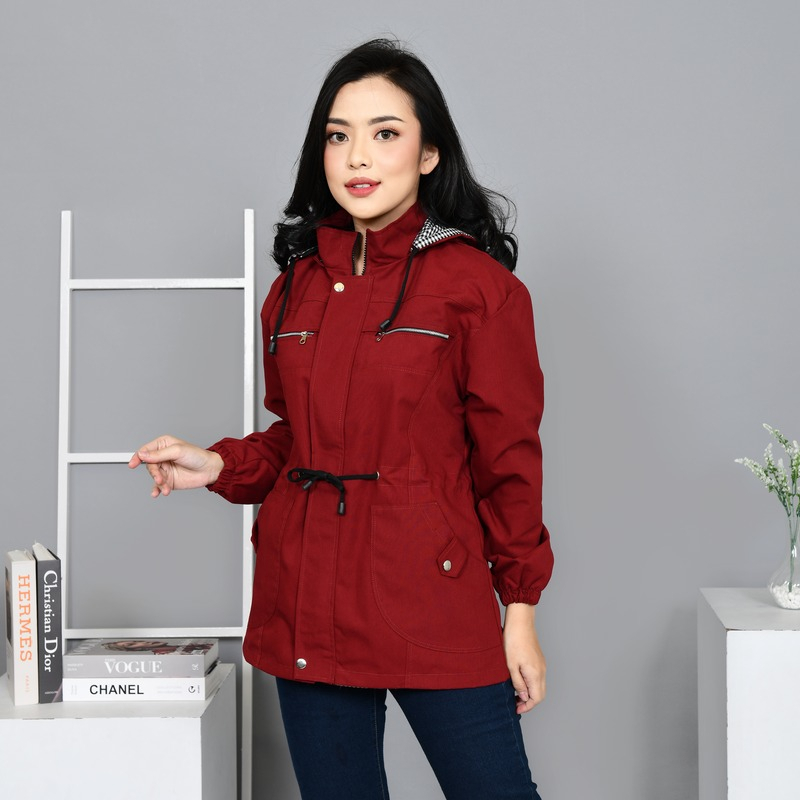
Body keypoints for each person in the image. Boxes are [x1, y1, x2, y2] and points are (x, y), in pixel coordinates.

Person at [129, 38, 553, 800]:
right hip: (307, 598)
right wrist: (220, 464)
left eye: (385, 133)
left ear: (429, 153)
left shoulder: (479, 289)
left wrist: (518, 611)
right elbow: (299, 437)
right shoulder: (295, 287)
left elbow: (509, 462)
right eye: (338, 135)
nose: (358, 156)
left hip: (428, 595)